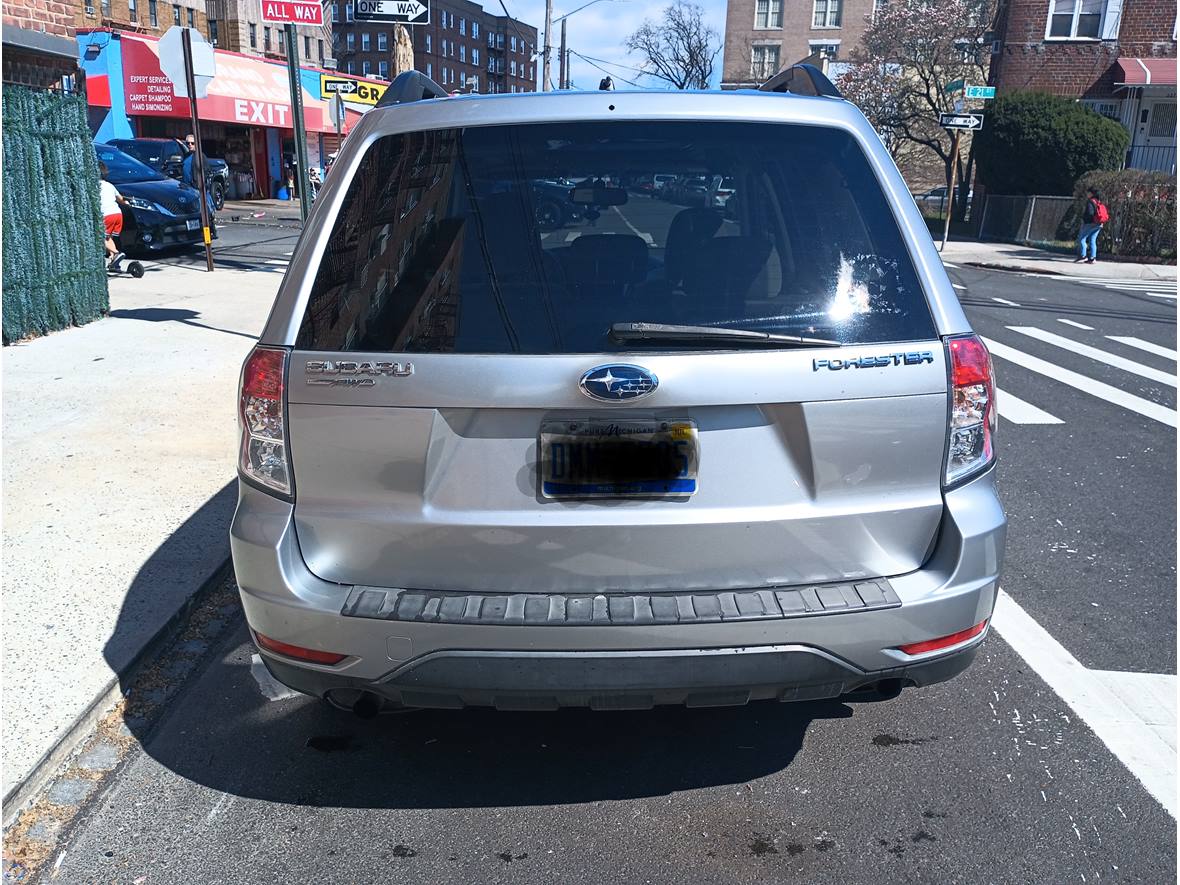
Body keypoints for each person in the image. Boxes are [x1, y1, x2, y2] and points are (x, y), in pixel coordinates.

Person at [98, 162, 127, 270]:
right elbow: (121, 199)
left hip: (106, 214)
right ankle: (114, 263)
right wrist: (126, 203)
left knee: (99, 237)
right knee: (108, 237)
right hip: (117, 214)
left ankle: (116, 253)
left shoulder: (95, 187)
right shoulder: (110, 185)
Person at [1077, 187, 1108, 264]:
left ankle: (1083, 256)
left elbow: (1090, 213)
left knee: (1082, 239)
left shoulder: (1091, 202)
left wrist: (1085, 219)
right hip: (1099, 224)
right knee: (1092, 240)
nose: (1087, 194)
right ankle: (1092, 258)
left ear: (1091, 193)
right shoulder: (1099, 202)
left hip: (1090, 223)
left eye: (1088, 193)